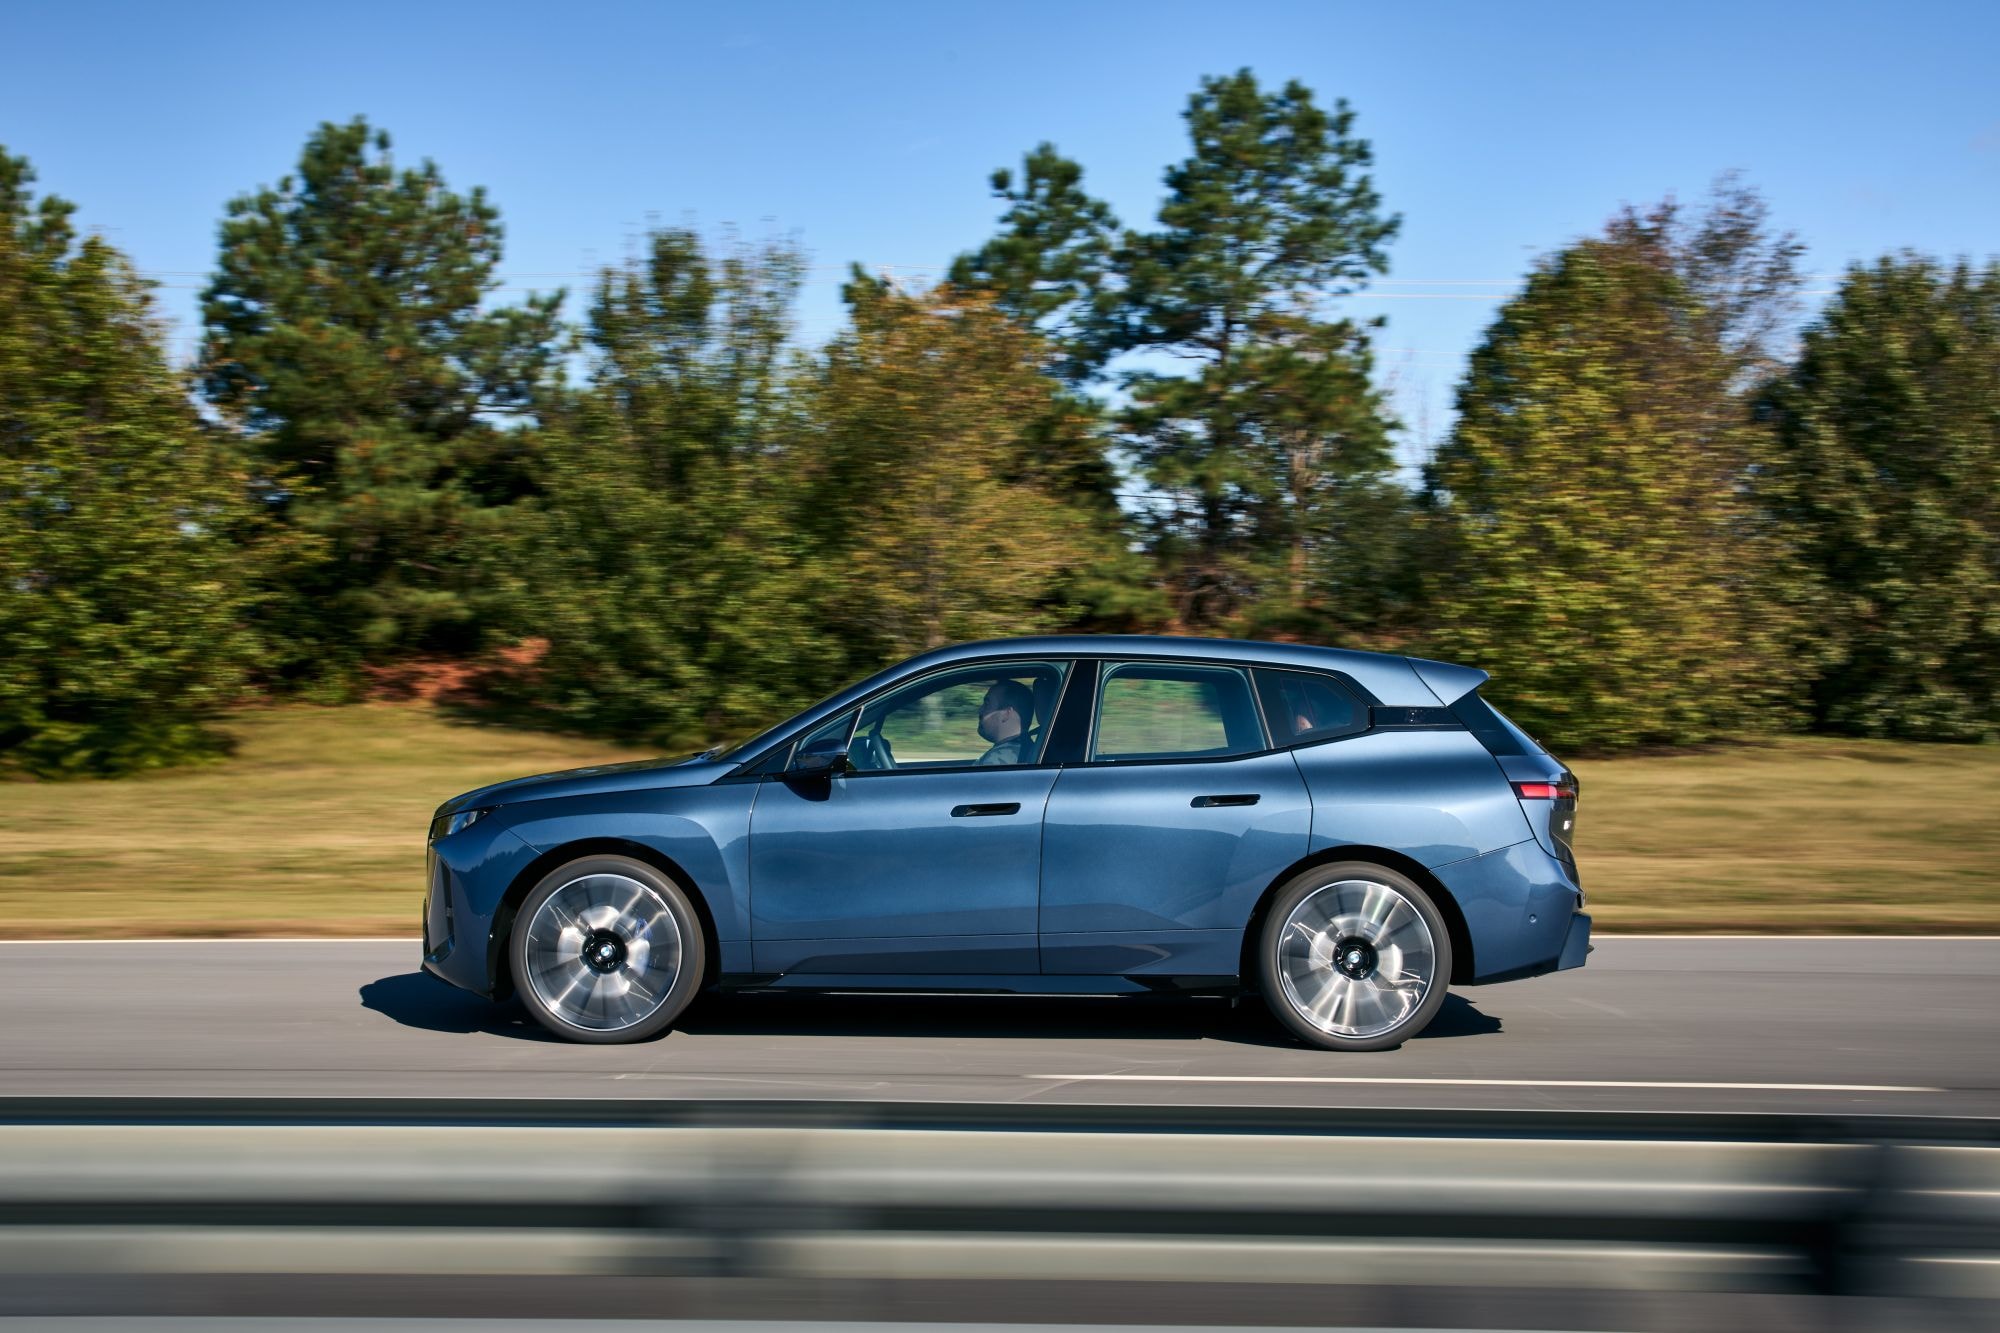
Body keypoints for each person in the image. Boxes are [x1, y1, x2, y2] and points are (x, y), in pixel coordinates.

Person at [975, 679, 1035, 765]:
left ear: (1006, 713)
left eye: (987, 704)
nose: (980, 711)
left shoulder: (997, 759)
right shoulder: (1027, 750)